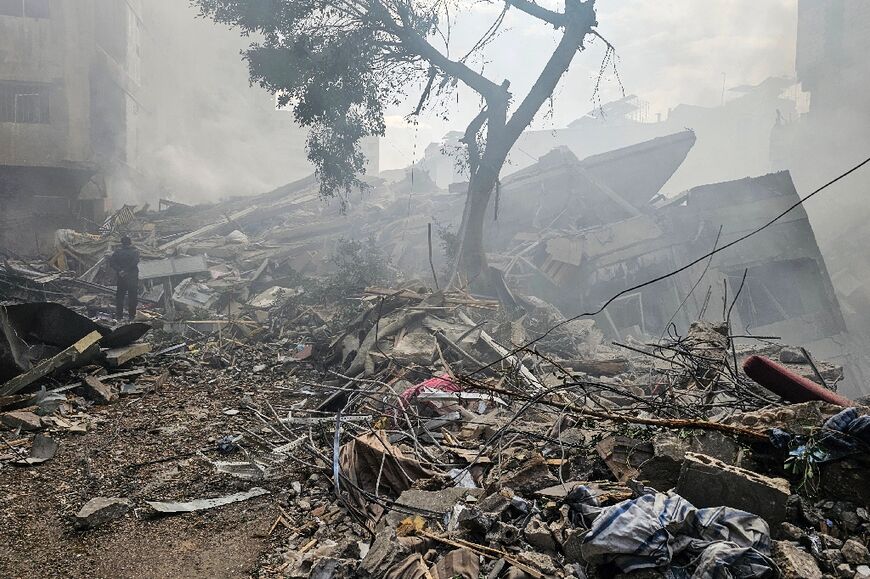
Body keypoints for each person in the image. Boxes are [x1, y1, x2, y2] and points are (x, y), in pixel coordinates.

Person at [109, 236, 140, 321]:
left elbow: (111, 262)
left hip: (121, 277)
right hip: (132, 278)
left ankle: (119, 316)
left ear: (121, 242)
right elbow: (135, 262)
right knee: (132, 297)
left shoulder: (117, 252)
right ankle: (132, 316)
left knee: (120, 297)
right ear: (130, 242)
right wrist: (126, 270)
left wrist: (120, 270)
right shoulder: (135, 251)